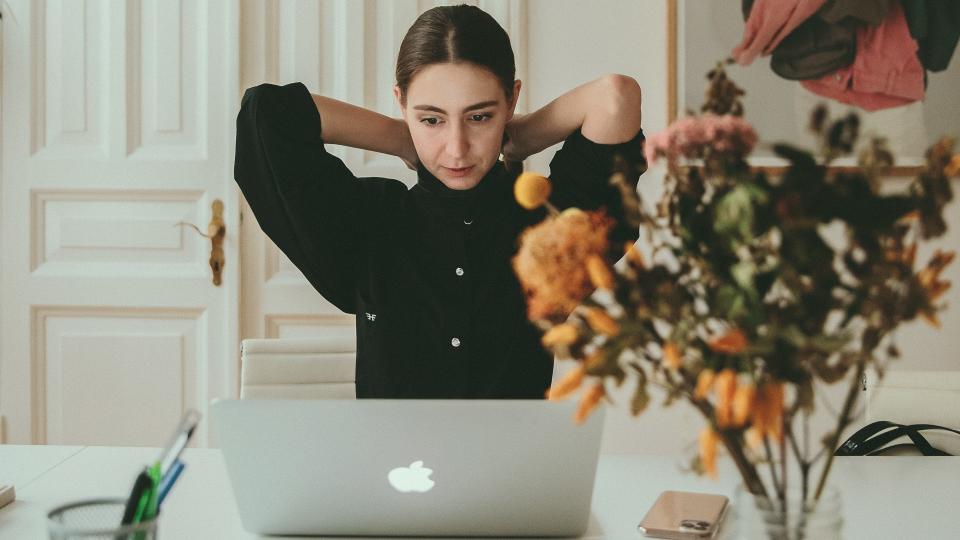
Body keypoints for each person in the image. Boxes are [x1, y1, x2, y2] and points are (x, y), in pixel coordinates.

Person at [234, 4, 647, 399]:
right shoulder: (370, 224)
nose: (456, 149)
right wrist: (400, 137)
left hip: (515, 472)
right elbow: (265, 114)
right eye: (432, 119)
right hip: (390, 471)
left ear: (511, 100)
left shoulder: (549, 231)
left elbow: (614, 97)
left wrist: (519, 137)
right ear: (401, 103)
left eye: (480, 116)